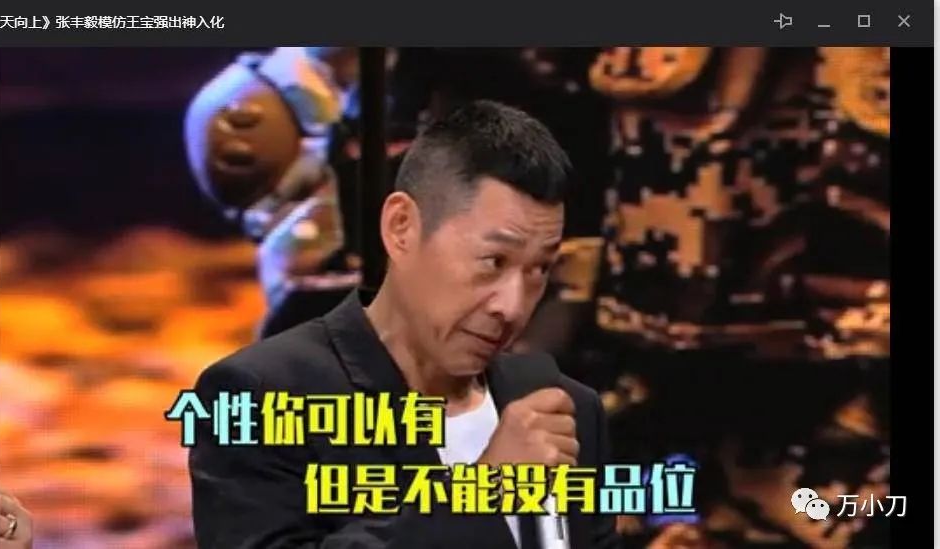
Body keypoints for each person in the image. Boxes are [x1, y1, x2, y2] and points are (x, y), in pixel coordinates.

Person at [189, 100, 621, 548]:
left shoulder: (566, 409)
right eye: (493, 261)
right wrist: (480, 494)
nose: (512, 307)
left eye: (539, 269)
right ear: (402, 227)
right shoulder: (258, 397)